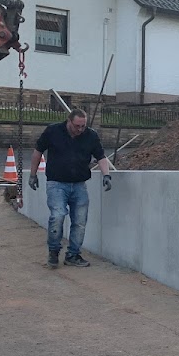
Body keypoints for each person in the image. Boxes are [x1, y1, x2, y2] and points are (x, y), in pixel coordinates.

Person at [28, 108, 112, 270]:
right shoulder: (53, 131)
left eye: (83, 126)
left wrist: (106, 175)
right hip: (56, 184)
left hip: (79, 184)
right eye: (77, 126)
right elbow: (38, 152)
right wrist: (33, 174)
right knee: (58, 216)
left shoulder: (91, 136)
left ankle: (73, 254)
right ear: (69, 121)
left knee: (80, 221)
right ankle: (53, 251)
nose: (80, 129)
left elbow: (101, 157)